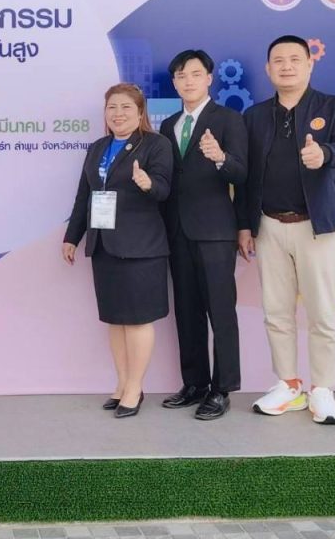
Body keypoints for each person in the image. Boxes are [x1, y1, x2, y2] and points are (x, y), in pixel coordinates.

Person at [236, 35, 335, 425]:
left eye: (294, 59)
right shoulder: (254, 116)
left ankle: (322, 390)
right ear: (268, 69)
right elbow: (247, 176)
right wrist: (245, 225)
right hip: (269, 226)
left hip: (317, 227)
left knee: (322, 312)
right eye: (278, 60)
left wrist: (325, 154)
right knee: (276, 311)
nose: (286, 66)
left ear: (309, 64)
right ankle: (288, 385)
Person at [62, 83, 173, 419]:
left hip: (141, 248)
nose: (118, 113)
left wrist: (148, 184)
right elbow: (84, 196)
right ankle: (122, 383)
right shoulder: (98, 148)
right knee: (115, 320)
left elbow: (165, 189)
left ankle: (136, 388)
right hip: (104, 246)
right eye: (112, 107)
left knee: (137, 321)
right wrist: (72, 237)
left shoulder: (156, 144)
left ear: (140, 113)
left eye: (126, 107)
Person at [159, 50, 247, 420]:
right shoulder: (168, 125)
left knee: (220, 311)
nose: (188, 81)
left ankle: (222, 389)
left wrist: (220, 157)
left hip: (215, 231)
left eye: (195, 74)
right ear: (174, 82)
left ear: (209, 78)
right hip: (177, 231)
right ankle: (194, 383)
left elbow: (242, 174)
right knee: (187, 310)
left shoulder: (228, 119)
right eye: (181, 75)